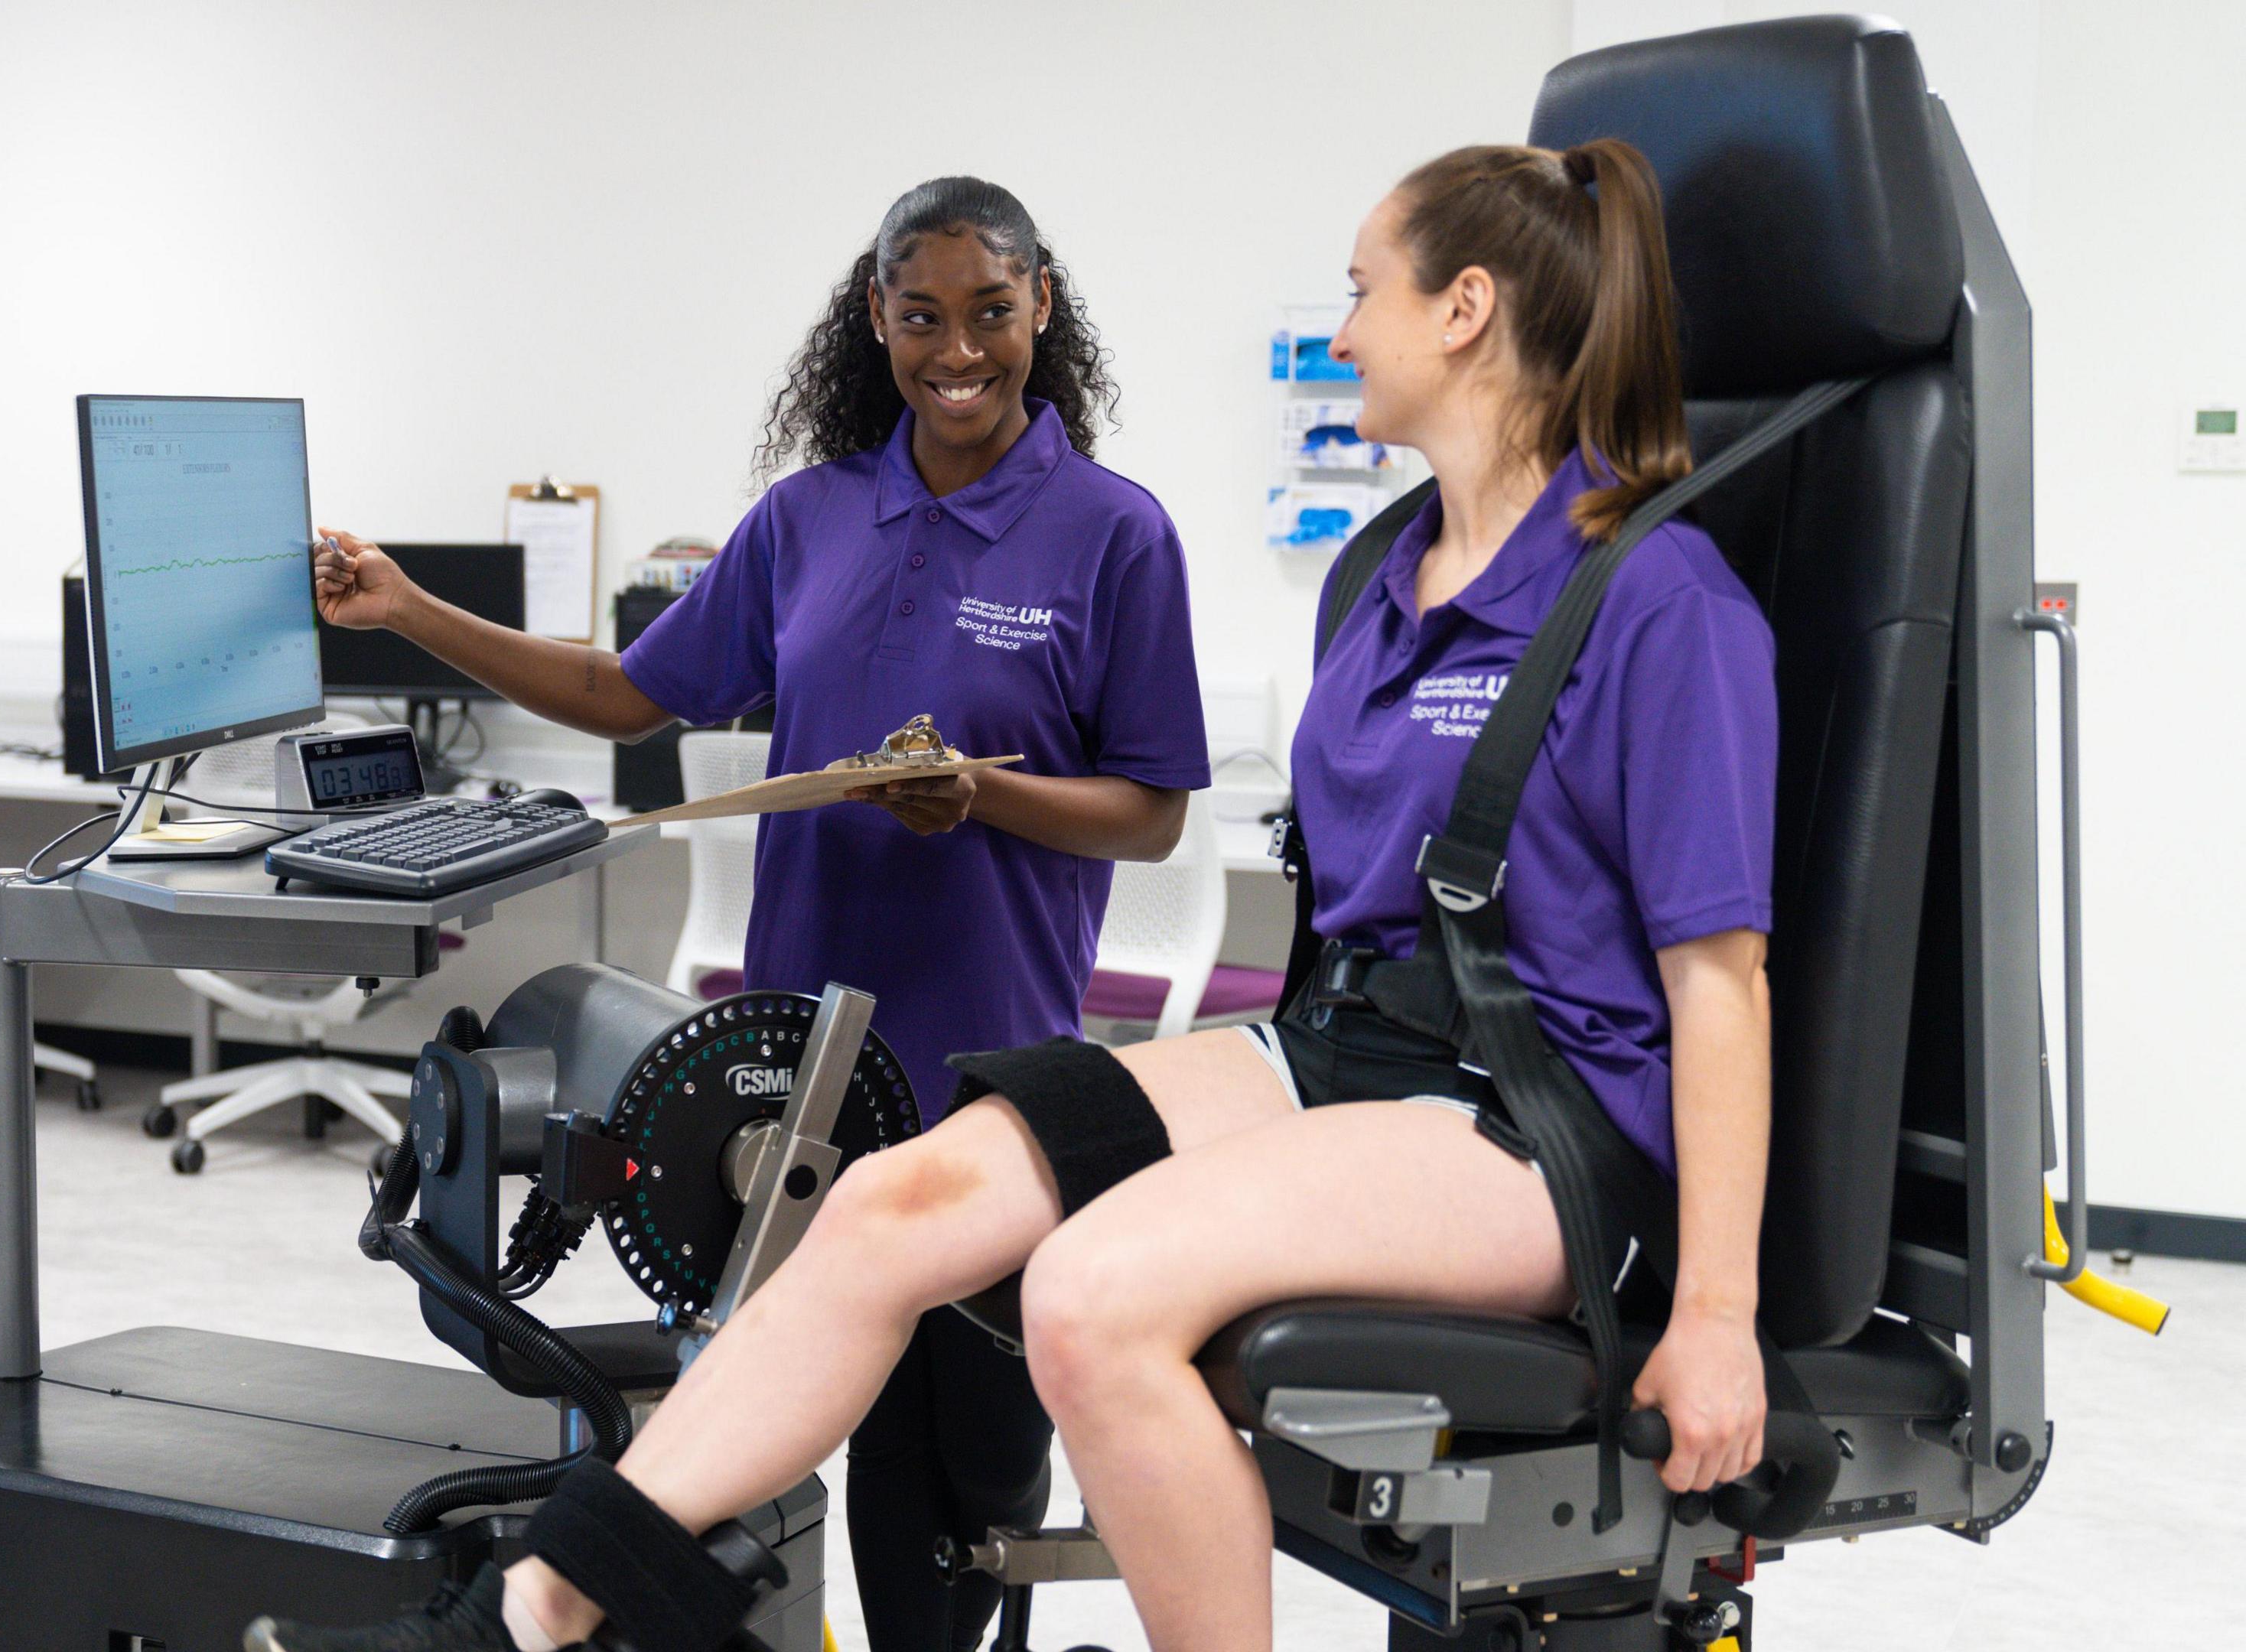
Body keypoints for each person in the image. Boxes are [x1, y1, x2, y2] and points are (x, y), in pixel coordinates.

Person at [256, 137, 1771, 1652]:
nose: (1346, 327)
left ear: (1466, 312)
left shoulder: (1657, 598)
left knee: (1090, 1292)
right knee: (892, 1201)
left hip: (1526, 1112)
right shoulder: (1387, 570)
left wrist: (1713, 1317)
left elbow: (1720, 980)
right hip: (1335, 1053)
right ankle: (533, 1611)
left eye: (1364, 291)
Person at [304, 176, 1211, 1652]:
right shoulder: (809, 520)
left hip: (988, 1089)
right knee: (737, 1460)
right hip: (789, 1097)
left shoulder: (1116, 535)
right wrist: (407, 608)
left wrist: (983, 797)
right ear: (877, 316)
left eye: (993, 312)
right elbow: (622, 696)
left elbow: (1153, 808)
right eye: (924, 317)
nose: (960, 350)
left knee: (947, 1509)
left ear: (1043, 304)